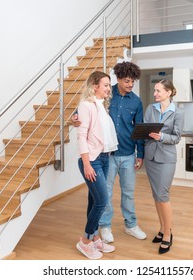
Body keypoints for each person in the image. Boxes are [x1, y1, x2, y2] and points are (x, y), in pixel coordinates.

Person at [73, 61, 146, 243]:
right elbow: (86, 106)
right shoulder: (107, 93)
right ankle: (105, 227)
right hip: (107, 155)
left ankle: (131, 225)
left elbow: (139, 128)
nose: (130, 84)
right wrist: (75, 116)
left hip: (128, 153)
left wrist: (140, 153)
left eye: (133, 82)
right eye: (127, 81)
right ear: (119, 79)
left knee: (128, 192)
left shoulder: (136, 101)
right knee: (105, 194)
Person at [75, 71, 118, 260]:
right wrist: (86, 164)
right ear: (95, 86)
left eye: (109, 85)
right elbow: (81, 136)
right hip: (92, 160)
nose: (109, 88)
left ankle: (94, 238)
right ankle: (84, 242)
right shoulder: (86, 105)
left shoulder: (101, 106)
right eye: (106, 85)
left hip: (104, 158)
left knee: (94, 200)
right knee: (102, 201)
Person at [143, 79, 184, 254]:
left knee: (163, 194)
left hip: (166, 158)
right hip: (151, 157)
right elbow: (145, 130)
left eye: (158, 91)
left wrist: (161, 137)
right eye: (154, 90)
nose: (155, 94)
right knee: (156, 195)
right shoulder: (150, 109)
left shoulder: (178, 113)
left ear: (169, 92)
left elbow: (176, 137)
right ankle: (161, 228)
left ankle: (168, 234)